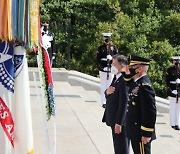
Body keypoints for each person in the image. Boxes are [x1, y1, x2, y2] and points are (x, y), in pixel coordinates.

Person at [126, 55, 157, 154]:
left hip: (141, 133)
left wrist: (146, 133)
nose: (129, 69)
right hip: (135, 130)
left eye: (131, 68)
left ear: (139, 69)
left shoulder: (145, 86)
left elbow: (150, 112)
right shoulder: (136, 82)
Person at [102, 54, 129, 154]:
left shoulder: (124, 80)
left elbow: (124, 103)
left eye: (114, 64)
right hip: (114, 120)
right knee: (118, 148)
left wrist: (119, 122)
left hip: (120, 122)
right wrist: (106, 92)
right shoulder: (116, 78)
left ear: (122, 66)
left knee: (122, 148)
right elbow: (110, 92)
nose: (112, 66)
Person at [97, 32, 118, 108]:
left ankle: (109, 100)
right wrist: (102, 68)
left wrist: (112, 59)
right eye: (105, 37)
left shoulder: (113, 48)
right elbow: (98, 59)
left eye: (107, 38)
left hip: (111, 69)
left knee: (110, 85)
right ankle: (104, 101)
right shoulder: (100, 48)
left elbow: (117, 58)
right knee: (103, 85)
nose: (106, 39)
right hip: (103, 68)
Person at [165, 55, 180, 130]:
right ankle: (173, 123)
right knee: (172, 107)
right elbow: (167, 81)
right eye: (175, 61)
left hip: (179, 91)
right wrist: (171, 89)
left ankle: (177, 123)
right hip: (172, 90)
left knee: (178, 108)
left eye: (177, 61)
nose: (176, 62)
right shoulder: (170, 70)